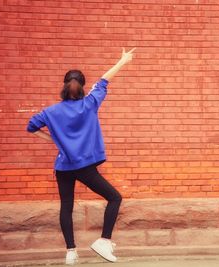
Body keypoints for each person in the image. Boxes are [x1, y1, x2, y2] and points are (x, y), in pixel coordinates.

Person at [26, 47, 137, 265]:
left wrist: (54, 140)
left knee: (66, 206)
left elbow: (31, 127)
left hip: (63, 166)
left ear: (65, 85)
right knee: (115, 198)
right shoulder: (90, 104)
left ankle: (70, 252)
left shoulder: (51, 112)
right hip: (85, 167)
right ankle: (104, 241)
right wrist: (123, 61)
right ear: (82, 87)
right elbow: (104, 81)